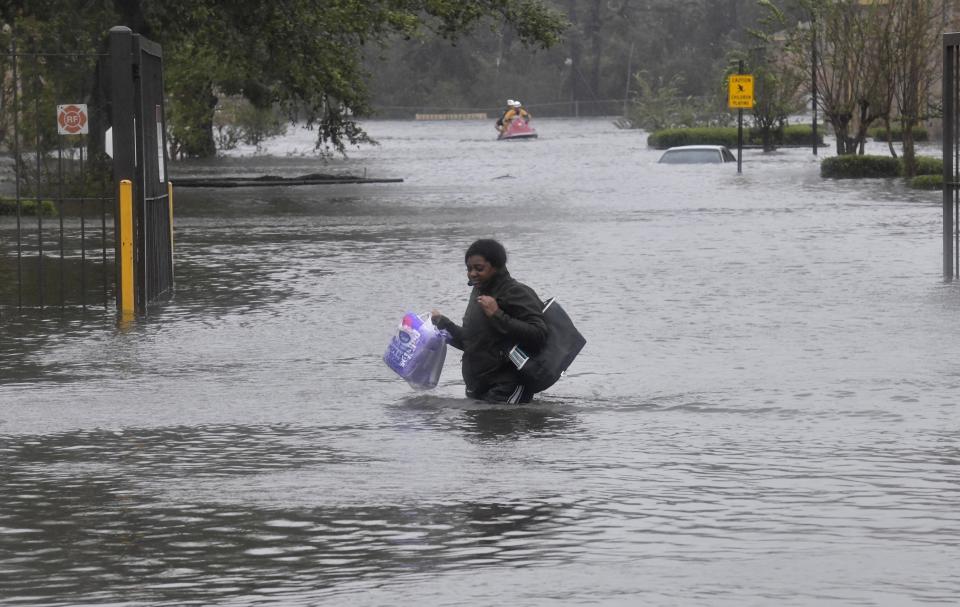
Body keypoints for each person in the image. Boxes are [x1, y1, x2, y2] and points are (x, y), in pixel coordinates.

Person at [432, 239, 548, 404]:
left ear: (497, 266)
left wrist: (496, 314)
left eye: (479, 268)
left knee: (496, 425)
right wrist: (443, 324)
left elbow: (539, 335)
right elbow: (472, 342)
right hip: (478, 387)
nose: (472, 274)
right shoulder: (478, 292)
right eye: (469, 269)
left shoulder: (516, 292)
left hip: (507, 386)